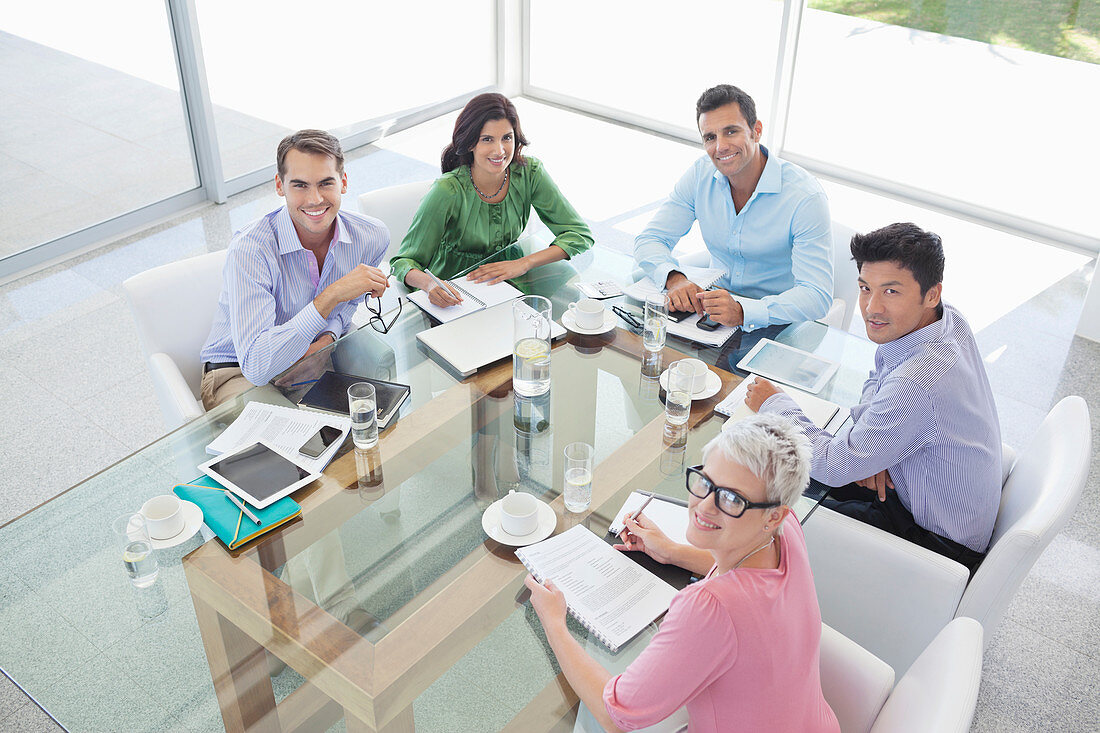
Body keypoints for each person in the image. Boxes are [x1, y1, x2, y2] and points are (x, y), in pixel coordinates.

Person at [526, 415, 839, 733]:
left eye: (732, 499)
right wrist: (672, 552)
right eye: (706, 482)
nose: (704, 507)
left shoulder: (708, 608)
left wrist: (554, 625)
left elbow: (617, 716)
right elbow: (751, 585)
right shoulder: (787, 532)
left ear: (773, 516)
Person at [746, 223, 1002, 572]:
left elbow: (835, 467)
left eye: (891, 292)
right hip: (931, 498)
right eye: (865, 288)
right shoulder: (948, 321)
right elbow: (881, 375)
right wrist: (876, 447)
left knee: (761, 502)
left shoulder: (916, 383)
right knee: (778, 468)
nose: (871, 307)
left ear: (932, 293)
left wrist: (773, 405)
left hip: (933, 545)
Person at [199, 129, 389, 410]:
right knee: (298, 440)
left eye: (326, 183)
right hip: (238, 370)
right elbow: (258, 366)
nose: (314, 199)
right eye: (300, 185)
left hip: (309, 355)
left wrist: (327, 340)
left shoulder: (371, 236)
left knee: (377, 411)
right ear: (280, 185)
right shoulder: (251, 250)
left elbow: (348, 305)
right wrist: (331, 294)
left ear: (343, 182)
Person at [634, 84, 832, 331]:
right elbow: (650, 239)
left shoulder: (805, 198)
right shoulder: (700, 175)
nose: (720, 147)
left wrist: (742, 311)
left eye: (731, 132)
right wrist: (674, 278)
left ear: (756, 131)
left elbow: (817, 295)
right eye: (710, 137)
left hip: (775, 321)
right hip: (709, 313)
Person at [390, 93, 594, 307]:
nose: (500, 150)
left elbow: (579, 234)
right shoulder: (446, 191)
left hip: (512, 281)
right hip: (456, 294)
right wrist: (430, 285)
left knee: (565, 311)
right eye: (487, 139)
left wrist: (523, 264)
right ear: (470, 143)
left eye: (507, 137)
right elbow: (403, 263)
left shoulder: (529, 173)